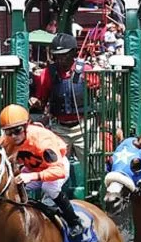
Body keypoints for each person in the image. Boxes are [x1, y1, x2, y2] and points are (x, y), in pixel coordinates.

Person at [0, 104, 85, 239]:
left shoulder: (42, 141)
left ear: (26, 126)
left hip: (55, 167)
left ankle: (74, 222)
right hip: (33, 169)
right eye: (8, 132)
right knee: (12, 185)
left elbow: (59, 170)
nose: (13, 136)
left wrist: (32, 176)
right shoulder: (8, 140)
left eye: (17, 131)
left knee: (48, 187)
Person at [31, 33, 95, 163]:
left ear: (73, 53)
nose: (61, 59)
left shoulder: (86, 69)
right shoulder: (47, 73)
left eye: (65, 55)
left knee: (91, 164)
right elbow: (41, 100)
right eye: (57, 56)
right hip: (59, 128)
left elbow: (100, 92)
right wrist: (35, 103)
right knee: (57, 164)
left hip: (85, 126)